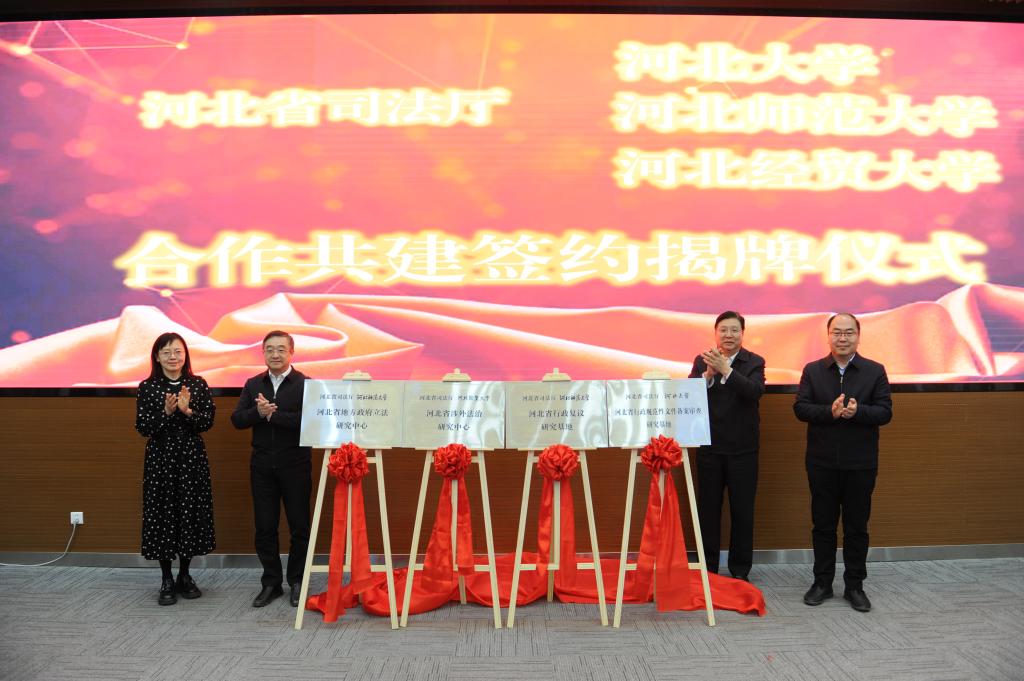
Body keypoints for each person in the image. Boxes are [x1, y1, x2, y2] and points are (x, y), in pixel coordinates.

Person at [794, 313, 892, 613]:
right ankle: (822, 583)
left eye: (849, 332)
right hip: (821, 462)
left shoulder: (874, 371)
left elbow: (885, 412)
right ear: (828, 336)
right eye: (837, 332)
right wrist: (831, 412)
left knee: (856, 527)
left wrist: (858, 412)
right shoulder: (813, 370)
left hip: (860, 464)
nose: (843, 338)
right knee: (823, 525)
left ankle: (855, 586)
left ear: (858, 337)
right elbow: (800, 408)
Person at [135, 332, 216, 606]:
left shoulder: (198, 384)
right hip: (161, 459)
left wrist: (187, 411)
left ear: (185, 355)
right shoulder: (148, 387)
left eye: (178, 351)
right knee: (162, 514)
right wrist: (167, 413)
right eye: (167, 352)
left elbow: (207, 422)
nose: (173, 357)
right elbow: (143, 427)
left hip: (191, 458)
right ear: (157, 357)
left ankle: (185, 574)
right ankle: (166, 578)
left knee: (189, 513)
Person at [231, 330, 311, 608]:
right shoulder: (253, 384)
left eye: (280, 349)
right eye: (269, 349)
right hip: (262, 466)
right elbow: (237, 420)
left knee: (299, 526)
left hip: (295, 464)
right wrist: (258, 413)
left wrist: (273, 416)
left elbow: (309, 421)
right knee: (265, 527)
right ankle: (271, 582)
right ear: (263, 352)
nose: (275, 354)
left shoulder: (306, 384)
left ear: (291, 352)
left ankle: (298, 581)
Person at [687, 311, 766, 581]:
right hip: (709, 447)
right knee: (708, 510)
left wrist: (726, 370)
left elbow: (753, 392)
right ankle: (708, 568)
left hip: (743, 449)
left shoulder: (754, 361)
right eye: (723, 330)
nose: (728, 335)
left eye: (734, 330)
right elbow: (688, 396)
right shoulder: (702, 360)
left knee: (742, 511)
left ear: (742, 334)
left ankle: (740, 570)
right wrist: (706, 376)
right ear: (716, 333)